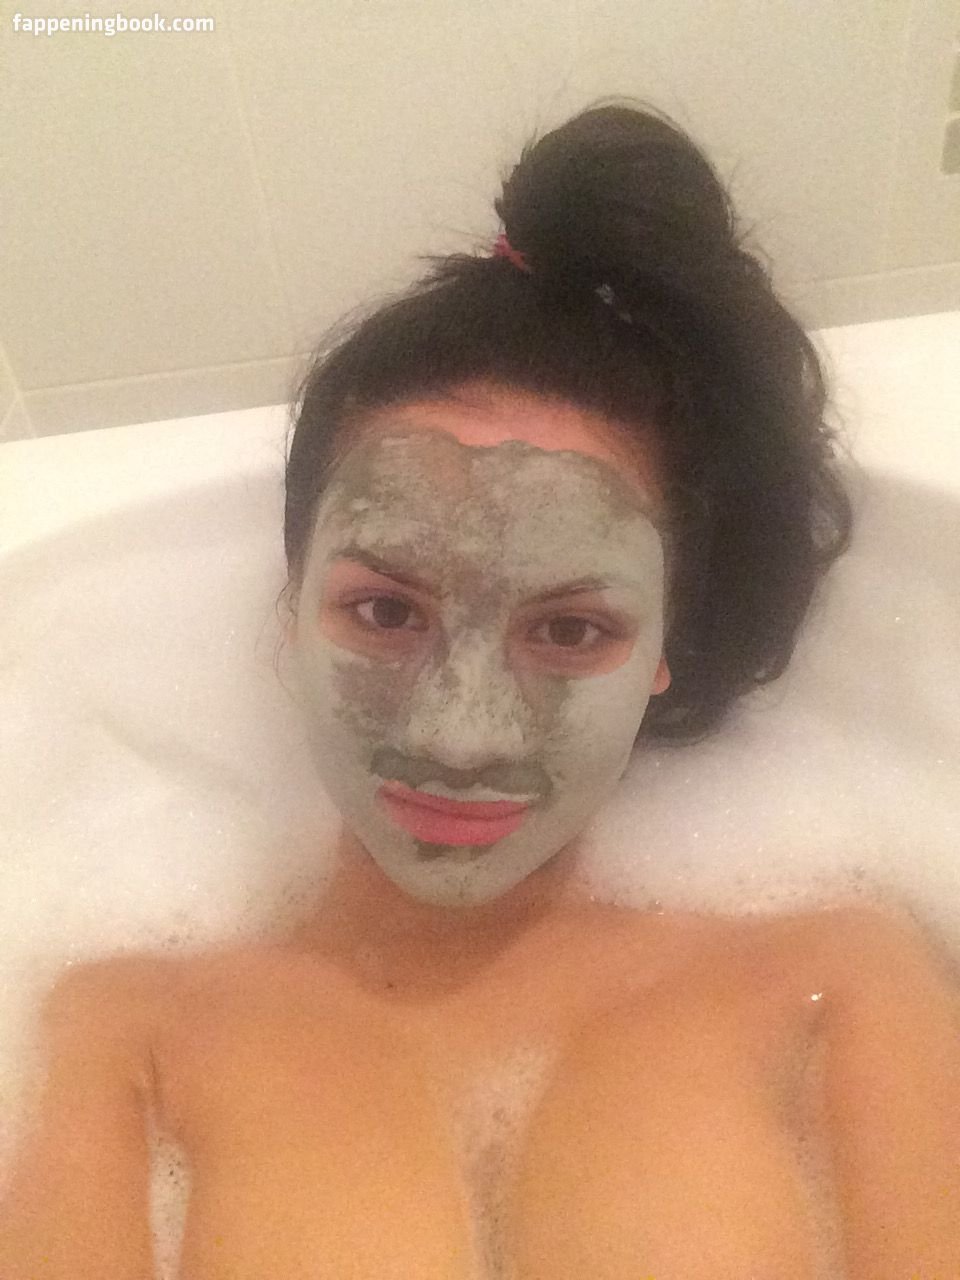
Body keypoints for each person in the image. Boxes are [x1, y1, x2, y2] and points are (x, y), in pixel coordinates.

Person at [2, 99, 958, 1280]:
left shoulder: (836, 980)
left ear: (663, 647)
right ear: (292, 607)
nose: (460, 734)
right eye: (386, 610)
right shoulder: (120, 1033)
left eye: (569, 628)